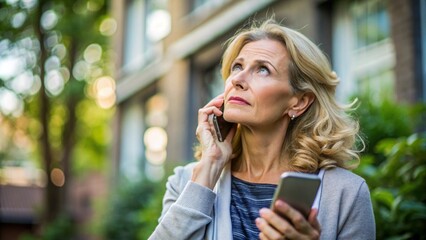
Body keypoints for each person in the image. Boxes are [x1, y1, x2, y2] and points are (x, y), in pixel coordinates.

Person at [149, 19, 375, 240]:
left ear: (299, 102)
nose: (237, 79)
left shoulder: (346, 194)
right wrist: (210, 164)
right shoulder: (187, 181)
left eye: (263, 70)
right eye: (238, 66)